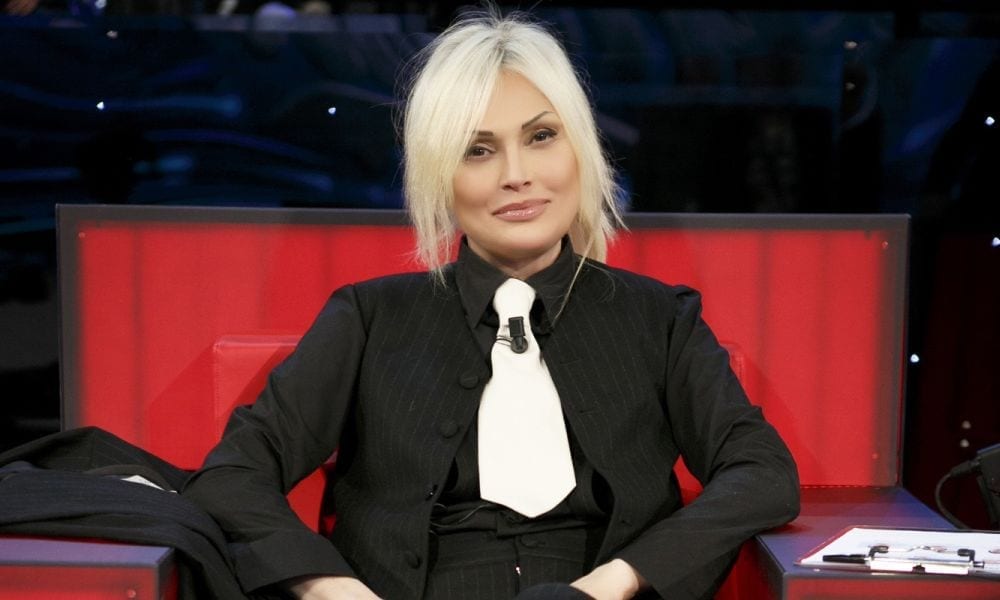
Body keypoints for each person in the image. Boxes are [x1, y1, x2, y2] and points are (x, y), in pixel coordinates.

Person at [181, 8, 800, 600]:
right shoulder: (369, 319)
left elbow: (762, 473)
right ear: (439, 177)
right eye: (478, 150)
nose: (516, 174)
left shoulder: (659, 319)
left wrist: (616, 581)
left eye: (541, 136)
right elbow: (233, 477)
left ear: (581, 148)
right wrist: (334, 587)